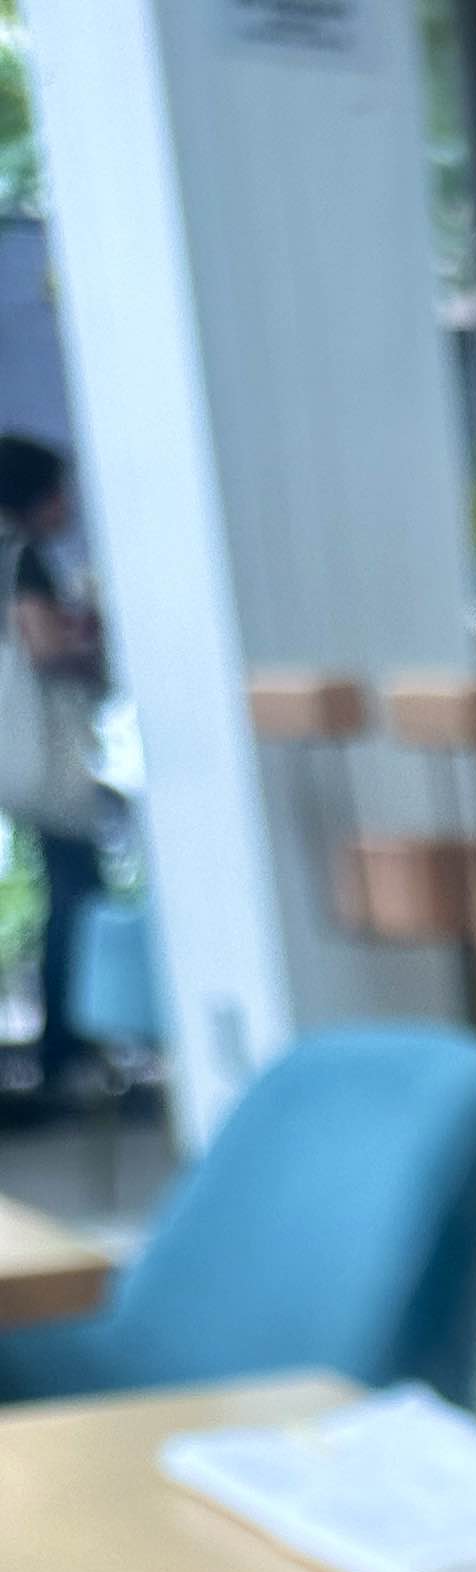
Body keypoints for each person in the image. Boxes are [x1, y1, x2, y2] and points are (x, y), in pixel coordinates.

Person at [0, 434, 110, 1096]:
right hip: (43, 754)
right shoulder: (24, 560)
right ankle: (69, 1050)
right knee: (79, 892)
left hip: (16, 756)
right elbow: (42, 650)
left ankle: (62, 1049)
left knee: (66, 887)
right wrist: (94, 652)